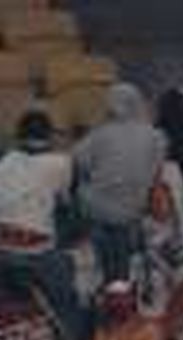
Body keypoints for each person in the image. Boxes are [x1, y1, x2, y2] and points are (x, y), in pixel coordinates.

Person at [0, 110, 81, 340]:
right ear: (49, 136)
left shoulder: (4, 161)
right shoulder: (61, 163)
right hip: (35, 251)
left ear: (19, 135)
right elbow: (67, 203)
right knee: (66, 299)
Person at [73, 83, 168, 283]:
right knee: (120, 243)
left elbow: (79, 162)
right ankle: (121, 281)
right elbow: (156, 171)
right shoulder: (155, 136)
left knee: (81, 193)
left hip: (97, 209)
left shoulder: (100, 134)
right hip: (133, 209)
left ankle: (97, 271)